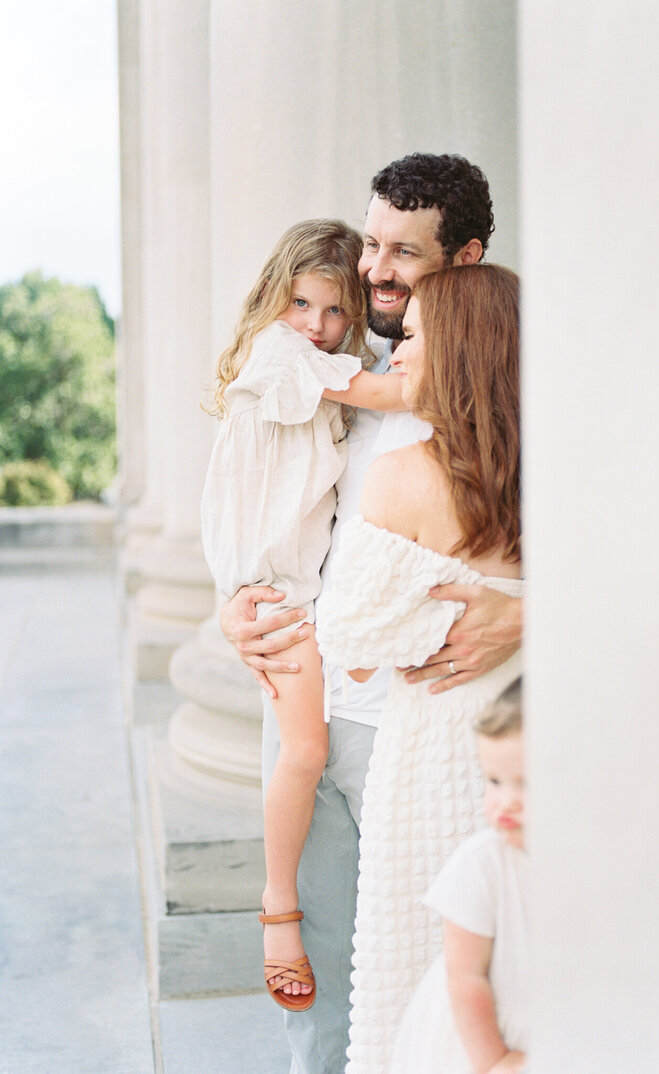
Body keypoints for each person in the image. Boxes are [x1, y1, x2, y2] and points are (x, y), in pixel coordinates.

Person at [218, 154, 523, 1073]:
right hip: (321, 722)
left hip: (436, 740)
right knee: (323, 1007)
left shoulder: (509, 390)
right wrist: (234, 604)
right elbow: (261, 508)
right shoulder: (331, 373)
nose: (375, 270)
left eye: (405, 253)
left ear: (466, 258)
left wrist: (533, 614)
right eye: (373, 245)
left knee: (443, 984)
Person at [315, 262, 523, 1072]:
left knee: (420, 967)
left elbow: (353, 633)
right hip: (533, 745)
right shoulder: (561, 475)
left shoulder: (403, 476)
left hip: (437, 751)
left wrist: (425, 616)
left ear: (465, 352)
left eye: (418, 336)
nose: (397, 350)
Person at [200, 219, 404, 1012]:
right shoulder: (284, 358)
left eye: (333, 312)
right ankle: (277, 911)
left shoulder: (316, 360)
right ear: (271, 298)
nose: (316, 325)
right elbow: (388, 389)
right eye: (301, 303)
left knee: (306, 747)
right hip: (276, 587)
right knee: (306, 748)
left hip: (299, 584)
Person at [390, 678, 529, 1074]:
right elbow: (465, 977)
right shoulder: (484, 863)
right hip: (486, 1037)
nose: (506, 802)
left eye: (526, 784)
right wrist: (495, 1061)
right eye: (494, 781)